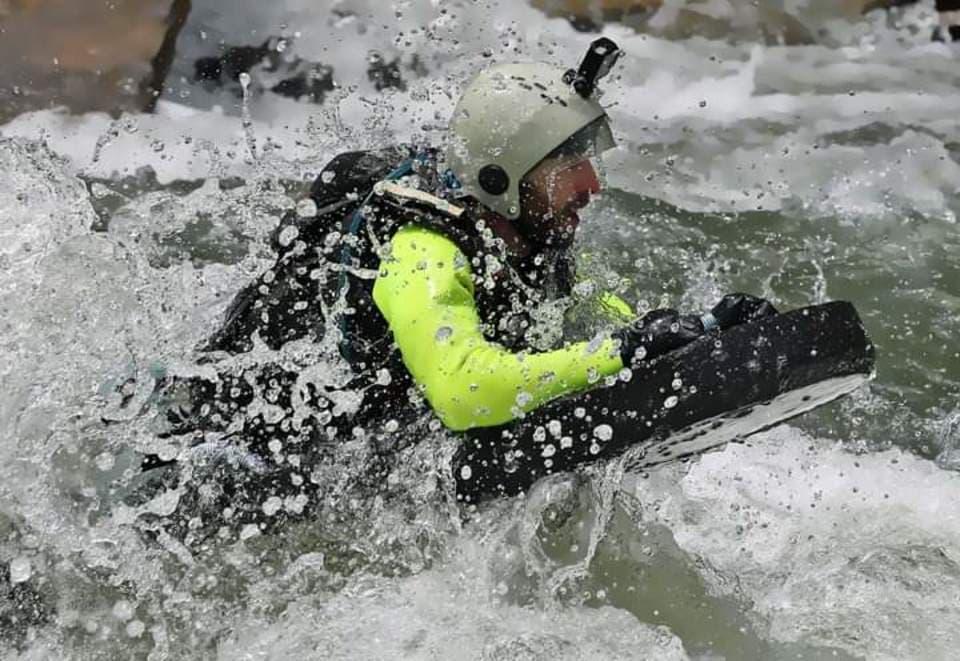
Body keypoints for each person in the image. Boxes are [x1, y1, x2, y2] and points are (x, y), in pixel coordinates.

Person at [142, 38, 776, 527]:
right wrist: (619, 353)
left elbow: (580, 312)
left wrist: (691, 331)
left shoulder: (521, 228)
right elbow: (463, 389)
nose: (591, 186)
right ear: (506, 175)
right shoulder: (422, 249)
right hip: (231, 479)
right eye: (569, 165)